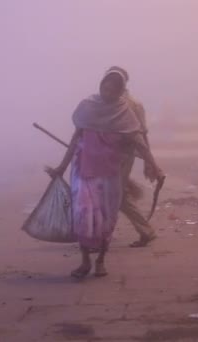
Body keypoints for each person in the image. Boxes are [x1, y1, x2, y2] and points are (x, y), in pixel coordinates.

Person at [46, 68, 164, 279]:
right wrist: (61, 168)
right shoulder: (87, 107)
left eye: (112, 90)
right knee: (82, 216)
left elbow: (140, 142)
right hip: (83, 172)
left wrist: (154, 166)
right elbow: (75, 140)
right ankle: (84, 262)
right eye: (104, 88)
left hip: (110, 174)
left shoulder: (126, 111)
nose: (107, 93)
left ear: (121, 91)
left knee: (106, 220)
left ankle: (100, 261)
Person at [105, 66, 158, 248]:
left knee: (116, 194)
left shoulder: (131, 104)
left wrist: (149, 163)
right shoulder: (108, 101)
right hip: (106, 154)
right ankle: (101, 234)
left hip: (122, 155)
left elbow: (142, 134)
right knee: (114, 192)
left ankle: (144, 230)